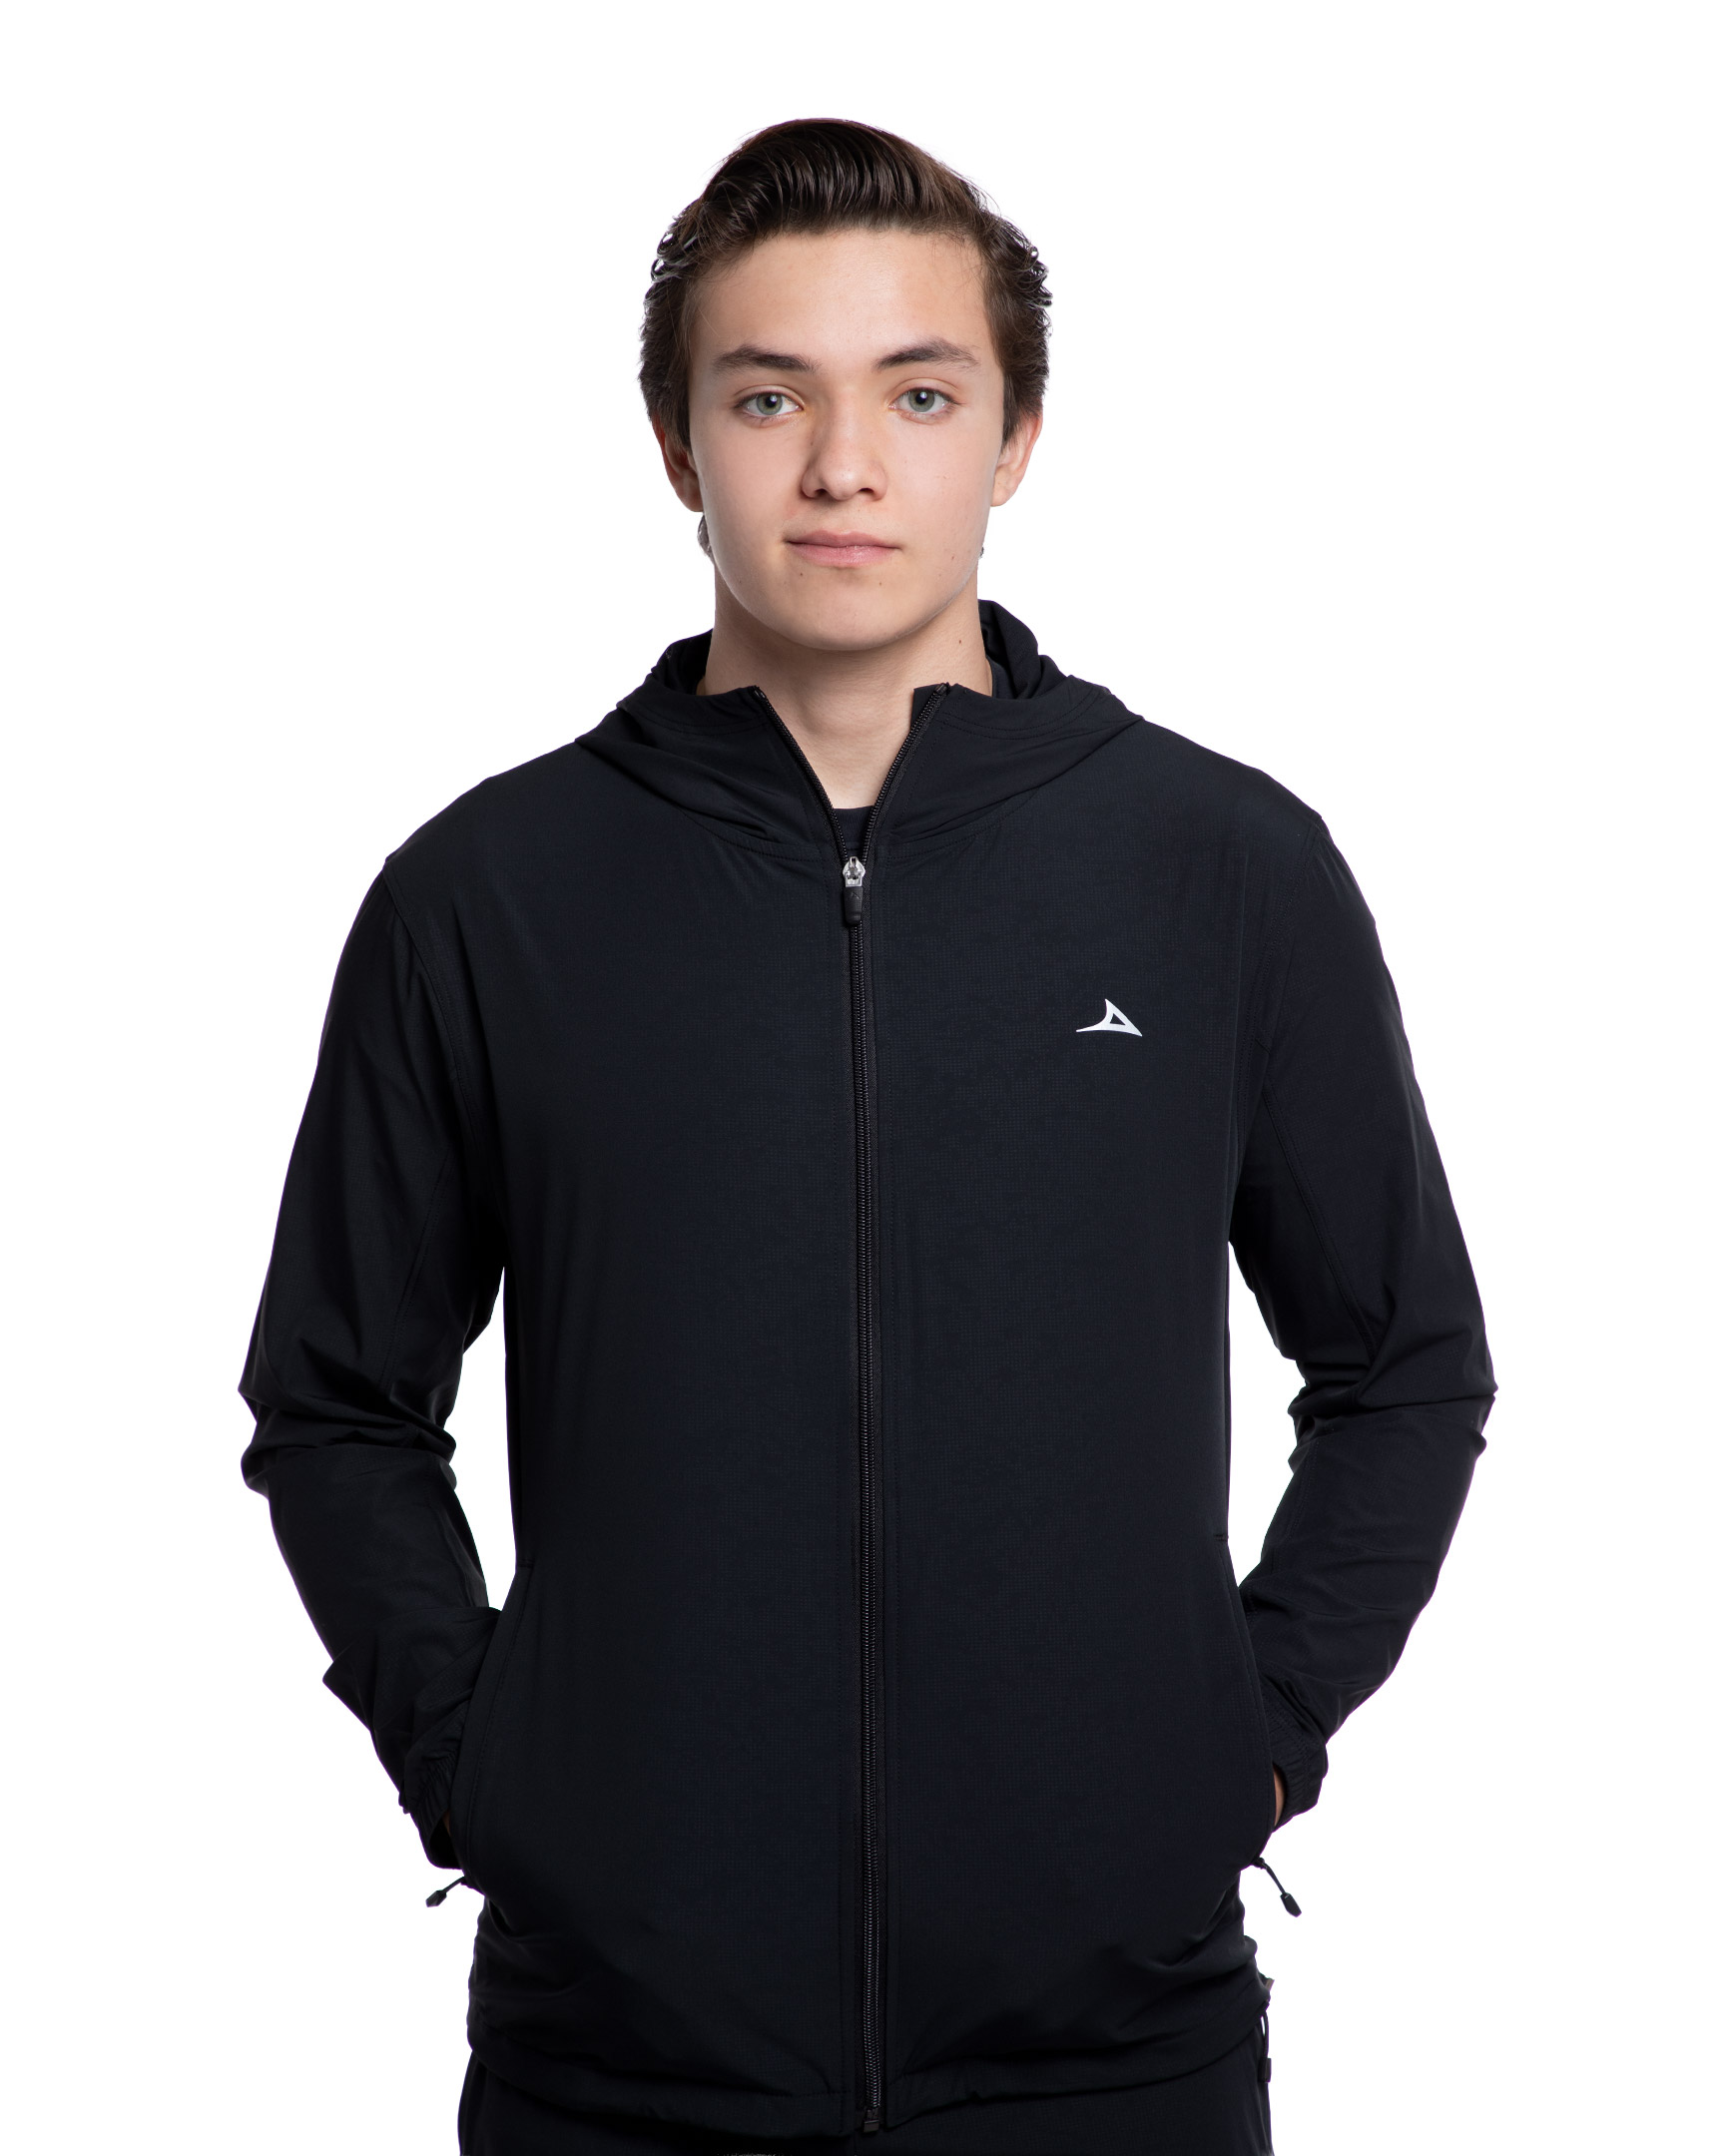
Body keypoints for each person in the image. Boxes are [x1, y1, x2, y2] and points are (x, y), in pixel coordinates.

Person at [241, 119, 1495, 2155]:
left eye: (919, 395)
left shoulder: (1222, 870)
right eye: (770, 398)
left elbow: (1405, 1366)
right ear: (678, 447)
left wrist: (1245, 1736)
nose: (844, 466)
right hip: (616, 2065)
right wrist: (486, 1770)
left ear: (1015, 441)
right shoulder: (488, 897)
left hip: (1117, 2059)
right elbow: (336, 1402)